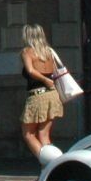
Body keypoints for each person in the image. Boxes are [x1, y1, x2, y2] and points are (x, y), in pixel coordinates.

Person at [20, 22, 64, 160]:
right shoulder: (49, 52)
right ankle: (53, 165)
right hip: (52, 94)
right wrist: (48, 80)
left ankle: (48, 164)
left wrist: (44, 80)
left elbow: (31, 70)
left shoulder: (27, 52)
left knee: (28, 134)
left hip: (37, 95)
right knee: (44, 135)